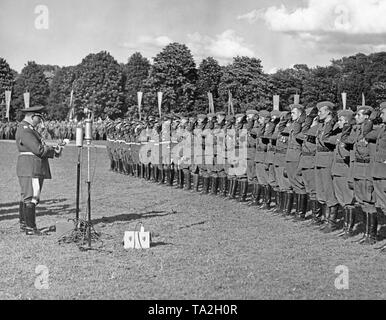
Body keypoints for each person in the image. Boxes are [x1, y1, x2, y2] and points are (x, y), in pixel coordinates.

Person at [15, 106, 63, 235]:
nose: (40, 121)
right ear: (32, 116)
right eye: (38, 117)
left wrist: (53, 149)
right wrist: (53, 150)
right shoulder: (26, 130)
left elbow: (38, 147)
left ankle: (25, 225)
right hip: (31, 167)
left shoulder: (28, 129)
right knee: (31, 197)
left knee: (27, 196)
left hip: (30, 166)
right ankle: (30, 228)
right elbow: (38, 149)